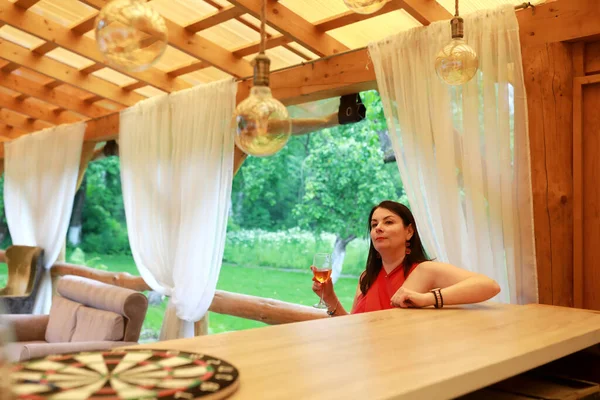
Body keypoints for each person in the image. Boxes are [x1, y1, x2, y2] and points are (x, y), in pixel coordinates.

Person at [312, 200, 501, 316]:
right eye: (374, 224)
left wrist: (427, 299)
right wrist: (329, 297)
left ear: (409, 231)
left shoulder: (425, 271)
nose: (378, 228)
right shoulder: (365, 278)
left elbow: (489, 285)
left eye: (388, 222)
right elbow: (353, 328)